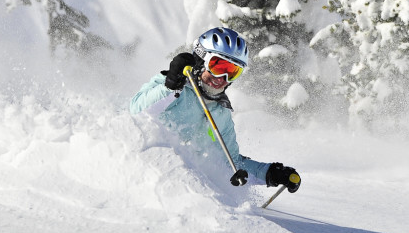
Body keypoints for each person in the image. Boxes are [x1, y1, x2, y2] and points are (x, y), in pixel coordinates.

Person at [129, 27, 301, 192]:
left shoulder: (221, 113)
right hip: (145, 178)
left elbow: (229, 164)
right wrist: (171, 86)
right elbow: (135, 113)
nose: (222, 78)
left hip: (187, 192)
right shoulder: (173, 87)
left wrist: (271, 173)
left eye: (232, 72)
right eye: (218, 67)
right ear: (201, 61)